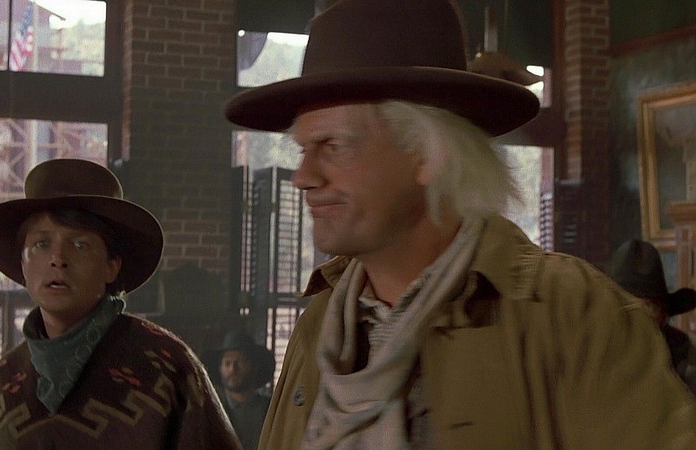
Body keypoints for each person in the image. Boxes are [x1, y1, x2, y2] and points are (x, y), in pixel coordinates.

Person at [223, 0, 696, 448]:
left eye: (333, 146)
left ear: (428, 155)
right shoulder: (321, 326)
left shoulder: (571, 317)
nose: (304, 177)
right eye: (303, 150)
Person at [0, 159, 241, 449]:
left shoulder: (167, 367)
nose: (58, 259)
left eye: (80, 245)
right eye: (42, 244)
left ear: (111, 266)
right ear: (22, 265)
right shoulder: (6, 378)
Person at [610, 239, 696, 395]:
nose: (639, 319)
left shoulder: (689, 360)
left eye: (648, 308)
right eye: (628, 309)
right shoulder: (595, 361)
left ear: (664, 316)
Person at [204, 330, 275, 450]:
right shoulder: (211, 411)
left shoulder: (271, 409)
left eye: (240, 362)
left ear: (255, 366)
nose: (232, 369)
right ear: (220, 369)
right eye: (227, 363)